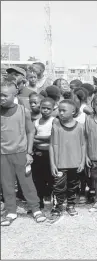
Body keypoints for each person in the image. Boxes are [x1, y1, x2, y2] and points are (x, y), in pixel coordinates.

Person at [0, 81, 46, 226]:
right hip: (3, 155)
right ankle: (11, 211)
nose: (1, 98)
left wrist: (29, 152)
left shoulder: (23, 111)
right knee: (7, 184)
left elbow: (31, 131)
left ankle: (36, 209)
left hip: (20, 153)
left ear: (14, 95)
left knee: (27, 183)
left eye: (5, 95)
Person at [48, 99, 86, 221]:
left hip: (75, 163)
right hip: (60, 164)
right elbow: (52, 146)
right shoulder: (56, 126)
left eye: (64, 110)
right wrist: (53, 164)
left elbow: (83, 145)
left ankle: (70, 205)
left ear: (73, 111)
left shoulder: (80, 127)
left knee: (73, 186)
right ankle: (57, 207)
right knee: (59, 186)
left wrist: (82, 161)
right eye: (59, 110)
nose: (61, 113)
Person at [31, 97, 56, 209]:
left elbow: (53, 137)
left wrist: (36, 137)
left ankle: (51, 198)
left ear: (53, 109)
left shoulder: (54, 121)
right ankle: (39, 200)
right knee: (38, 178)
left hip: (51, 155)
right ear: (40, 108)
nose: (45, 110)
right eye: (43, 108)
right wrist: (38, 139)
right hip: (38, 153)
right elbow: (31, 138)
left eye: (48, 108)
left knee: (51, 177)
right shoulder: (36, 122)